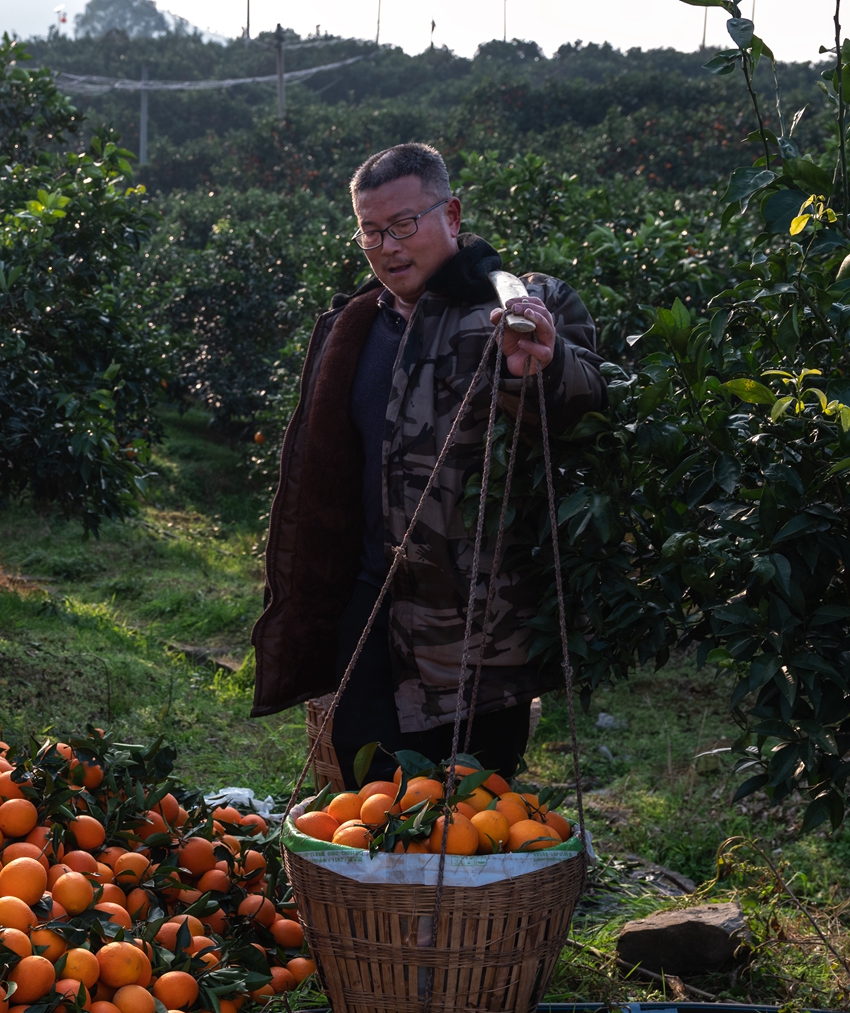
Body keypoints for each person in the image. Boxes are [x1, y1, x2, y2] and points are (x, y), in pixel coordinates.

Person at [248, 142, 607, 788]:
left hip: (476, 626)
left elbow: (590, 400)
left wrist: (544, 366)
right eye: (371, 231)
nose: (388, 246)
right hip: (374, 599)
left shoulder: (517, 306)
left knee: (471, 803)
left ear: (452, 214)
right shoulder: (354, 325)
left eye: (404, 224)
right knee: (369, 791)